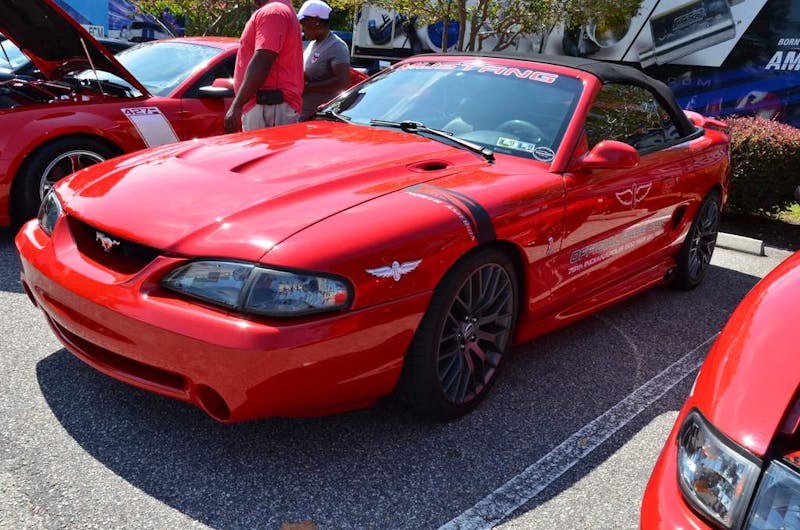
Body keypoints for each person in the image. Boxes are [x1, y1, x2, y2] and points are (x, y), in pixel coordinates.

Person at [224, 0, 304, 133]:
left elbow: (263, 60)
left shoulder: (273, 11)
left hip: (268, 106)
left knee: (263, 153)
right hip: (268, 106)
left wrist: (237, 105)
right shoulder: (278, 10)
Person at [297, 0, 351, 121]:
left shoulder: (336, 46)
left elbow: (342, 82)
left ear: (316, 20)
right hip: (303, 114)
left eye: (304, 23)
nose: (303, 28)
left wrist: (308, 88)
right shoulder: (312, 44)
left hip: (320, 118)